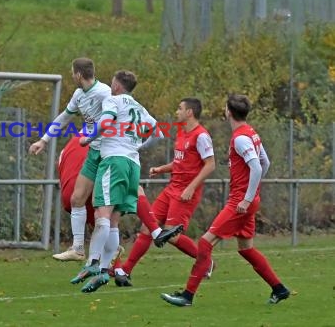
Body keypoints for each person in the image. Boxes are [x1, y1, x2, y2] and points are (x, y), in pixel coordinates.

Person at [161, 94, 290, 307]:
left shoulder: (240, 138)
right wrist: (254, 190)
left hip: (240, 202)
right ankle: (279, 289)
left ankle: (187, 296)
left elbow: (257, 167)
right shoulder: (251, 133)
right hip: (246, 200)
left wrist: (247, 198)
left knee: (204, 242)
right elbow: (265, 162)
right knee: (246, 248)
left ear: (228, 112)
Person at [70, 70, 180, 293]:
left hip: (114, 162)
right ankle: (103, 270)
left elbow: (106, 122)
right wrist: (136, 145)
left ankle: (93, 264)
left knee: (102, 214)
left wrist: (88, 139)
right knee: (113, 222)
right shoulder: (139, 107)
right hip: (133, 165)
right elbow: (157, 133)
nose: (111, 86)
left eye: (112, 83)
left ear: (118, 86)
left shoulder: (113, 100)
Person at [114, 98, 216, 286]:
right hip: (172, 188)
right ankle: (126, 270)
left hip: (185, 192)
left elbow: (210, 165)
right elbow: (181, 163)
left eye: (180, 108)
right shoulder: (181, 133)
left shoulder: (201, 136)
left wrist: (191, 187)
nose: (176, 112)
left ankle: (206, 262)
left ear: (190, 113)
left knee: (171, 235)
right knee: (148, 227)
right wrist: (161, 169)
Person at [30, 58, 110, 261]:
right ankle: (78, 248)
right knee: (77, 199)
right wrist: (44, 140)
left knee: (104, 207)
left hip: (109, 154)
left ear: (79, 75)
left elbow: (117, 118)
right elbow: (64, 118)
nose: (72, 76)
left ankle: (109, 250)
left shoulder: (104, 93)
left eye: (72, 73)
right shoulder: (79, 94)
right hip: (93, 152)